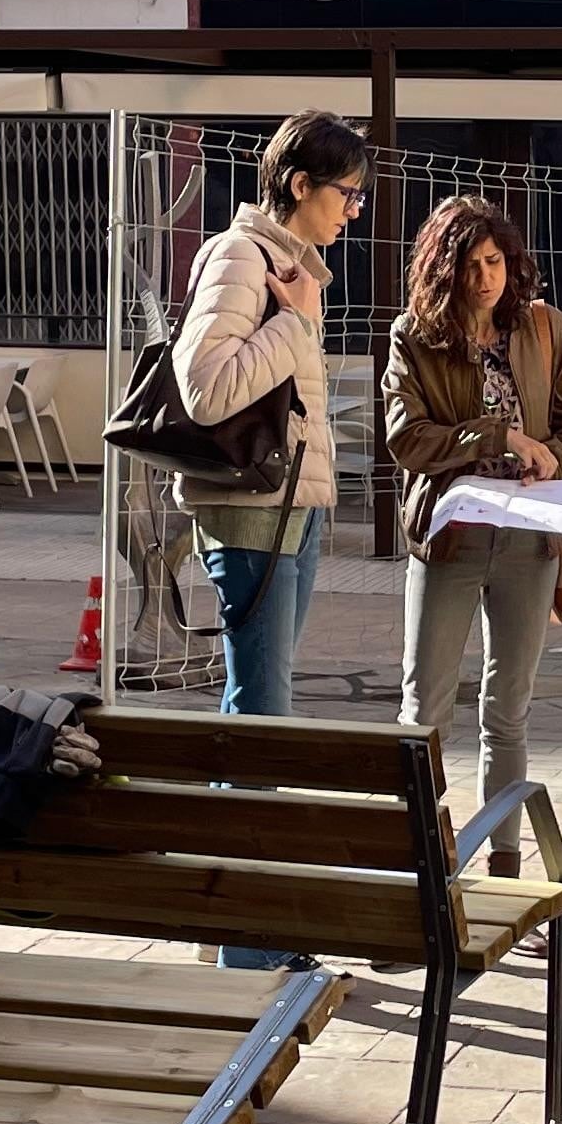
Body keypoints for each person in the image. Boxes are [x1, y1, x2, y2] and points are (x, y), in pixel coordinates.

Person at [386, 195, 562, 821]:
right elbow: (406, 438)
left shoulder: (544, 326)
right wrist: (495, 435)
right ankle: (419, 850)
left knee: (509, 710)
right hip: (449, 535)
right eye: (470, 265)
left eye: (495, 261)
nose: (485, 278)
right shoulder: (415, 336)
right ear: (443, 270)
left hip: (530, 539)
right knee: (426, 707)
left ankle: (501, 856)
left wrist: (553, 456)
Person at [173, 109, 369, 721]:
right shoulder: (240, 256)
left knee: (258, 699)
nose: (355, 211)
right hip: (250, 504)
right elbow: (205, 389)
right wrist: (295, 322)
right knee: (264, 706)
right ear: (299, 184)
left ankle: (236, 808)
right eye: (347, 193)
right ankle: (245, 813)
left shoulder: (291, 266)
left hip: (288, 505)